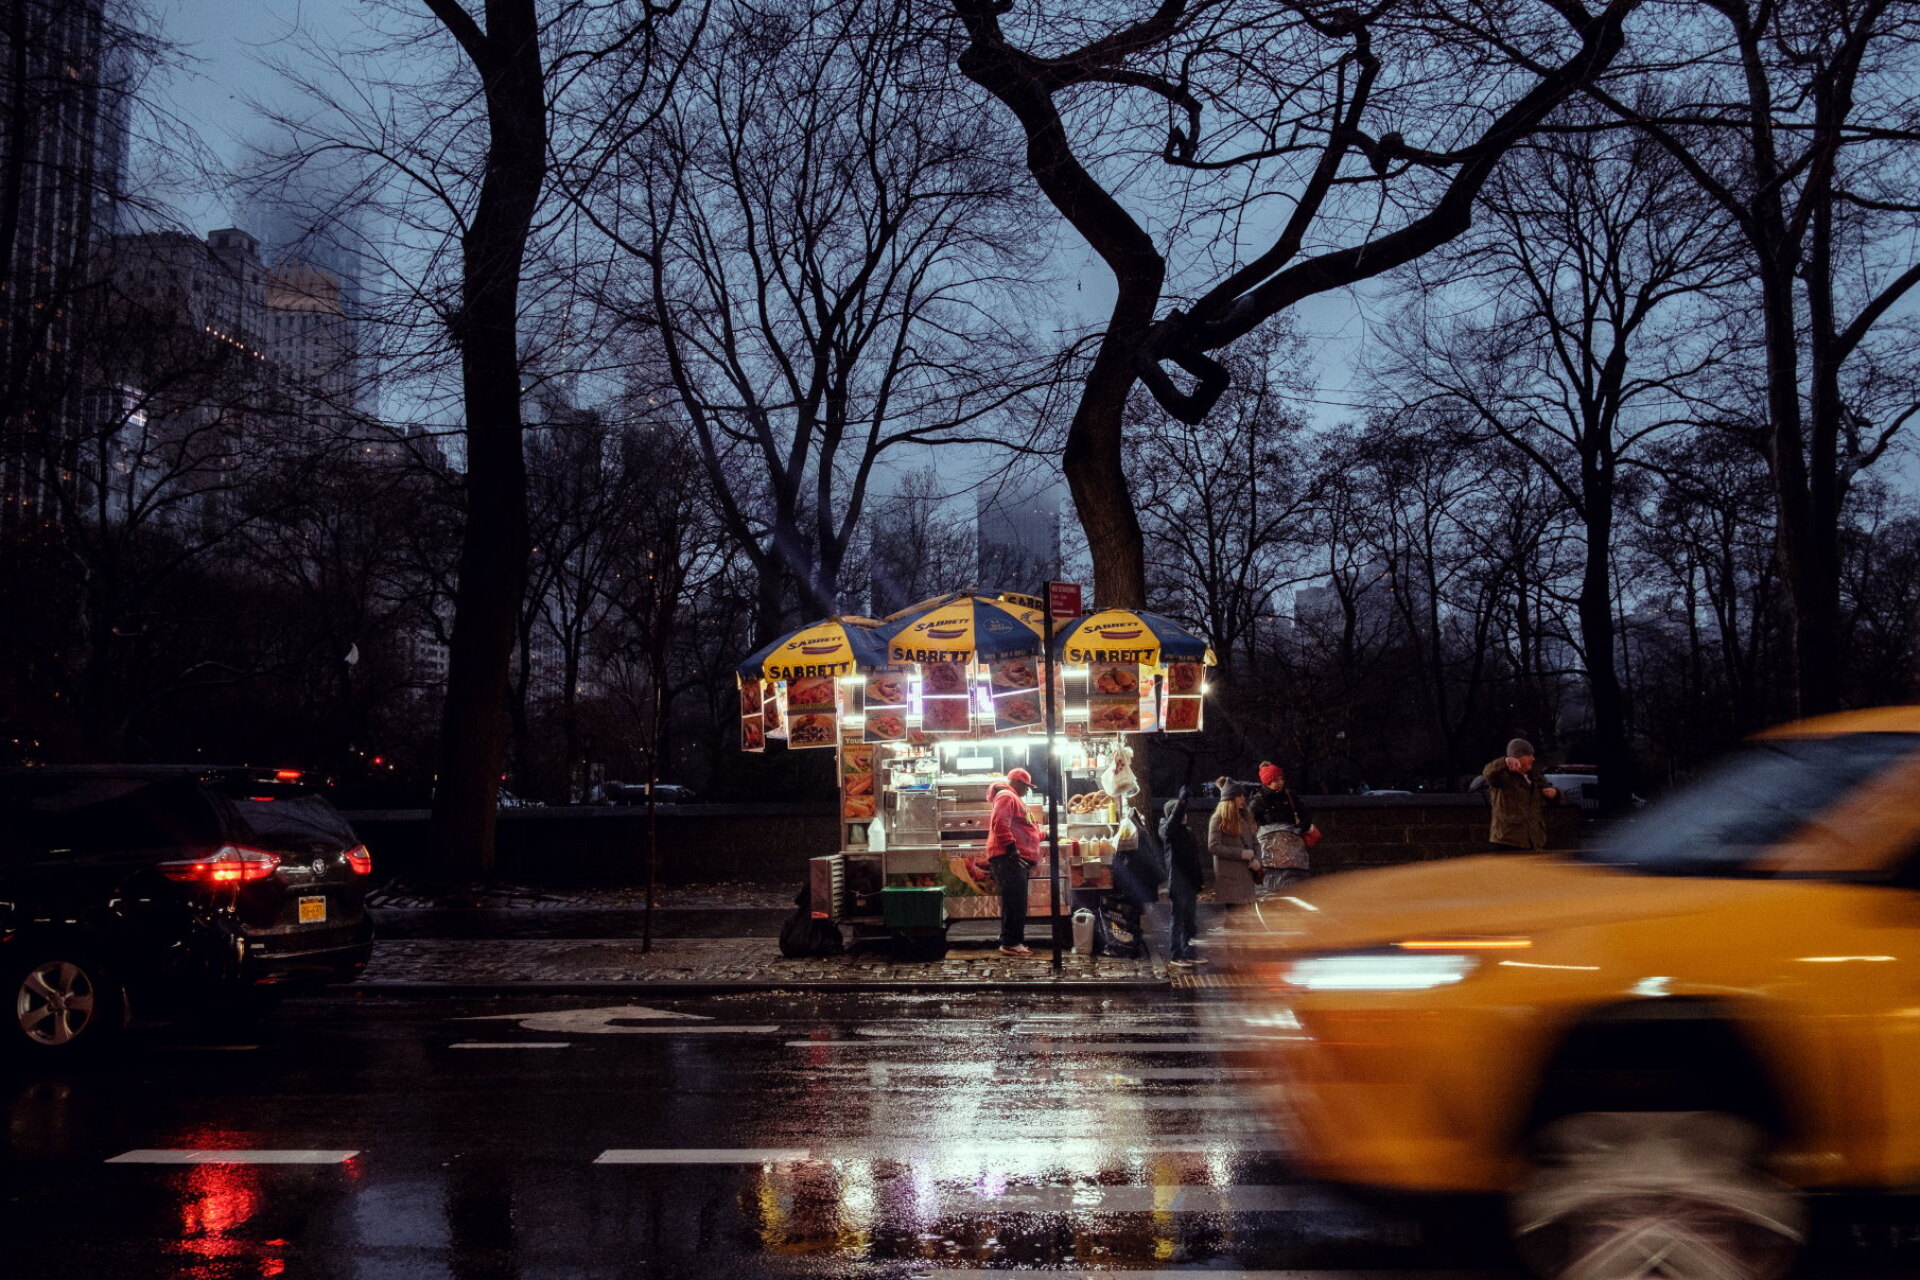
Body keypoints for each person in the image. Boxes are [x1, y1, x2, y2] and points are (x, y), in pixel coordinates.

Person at [988, 767, 1043, 956]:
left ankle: (1011, 940)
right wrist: (1012, 849)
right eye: (1026, 786)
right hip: (1008, 857)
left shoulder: (1014, 799)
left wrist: (1044, 834)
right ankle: (1011, 943)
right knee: (1015, 901)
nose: (1027, 790)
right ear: (1017, 782)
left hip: (1013, 857)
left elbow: (1026, 829)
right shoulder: (1007, 796)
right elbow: (999, 823)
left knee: (1016, 901)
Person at [1250, 761, 1318, 892]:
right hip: (1269, 850)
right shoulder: (1258, 801)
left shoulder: (1290, 796)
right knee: (1271, 880)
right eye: (1276, 780)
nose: (1281, 782)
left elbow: (1306, 815)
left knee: (1294, 878)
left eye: (1281, 779)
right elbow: (1248, 823)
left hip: (1292, 849)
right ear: (1268, 782)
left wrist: (1299, 828)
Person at [1482, 739, 1558, 851]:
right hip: (1507, 842)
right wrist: (1504, 761)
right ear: (1517, 757)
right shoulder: (1502, 778)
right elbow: (1487, 773)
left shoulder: (1536, 779)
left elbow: (1553, 801)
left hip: (1534, 842)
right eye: (1528, 755)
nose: (1533, 758)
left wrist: (1555, 794)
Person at [1160, 788, 1203, 967]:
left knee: (1189, 921)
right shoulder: (1169, 831)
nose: (1184, 816)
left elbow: (1195, 860)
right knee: (1178, 920)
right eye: (1180, 813)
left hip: (1189, 883)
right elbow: (1171, 824)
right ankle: (1177, 955)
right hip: (1178, 883)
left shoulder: (1187, 832)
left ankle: (1188, 953)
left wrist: (1199, 881)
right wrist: (1181, 802)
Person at [1207, 777, 1261, 906]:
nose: (1244, 798)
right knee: (1234, 919)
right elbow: (1213, 846)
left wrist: (1258, 861)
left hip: (1247, 878)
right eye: (1239, 796)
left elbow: (1255, 843)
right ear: (1230, 799)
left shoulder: (1245, 818)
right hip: (1230, 880)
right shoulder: (1218, 819)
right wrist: (1240, 853)